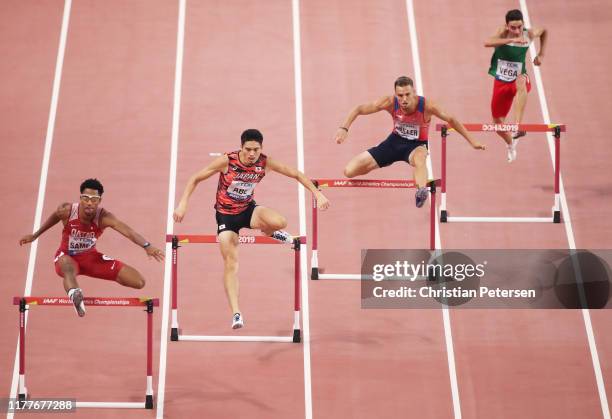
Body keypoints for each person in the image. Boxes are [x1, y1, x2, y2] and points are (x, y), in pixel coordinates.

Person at [173, 129, 330, 329]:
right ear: (241, 147)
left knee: (281, 221)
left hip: (248, 210)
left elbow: (296, 174)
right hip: (226, 217)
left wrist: (317, 194)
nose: (252, 154)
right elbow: (195, 178)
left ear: (261, 148)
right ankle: (237, 313)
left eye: (256, 149)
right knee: (231, 263)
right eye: (248, 149)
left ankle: (271, 232)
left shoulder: (265, 163)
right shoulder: (227, 161)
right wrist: (183, 204)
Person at [19, 178, 164, 317]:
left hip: (90, 258)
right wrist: (35, 235)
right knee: (68, 267)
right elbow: (55, 217)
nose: (89, 202)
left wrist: (147, 246)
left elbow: (129, 232)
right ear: (80, 198)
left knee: (139, 282)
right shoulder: (67, 210)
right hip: (67, 256)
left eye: (94, 199)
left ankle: (113, 276)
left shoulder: (104, 217)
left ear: (99, 200)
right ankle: (76, 295)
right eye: (85, 198)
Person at [335, 76, 485, 207]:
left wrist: (472, 141)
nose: (404, 99)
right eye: (400, 95)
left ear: (414, 92)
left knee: (420, 159)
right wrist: (344, 128)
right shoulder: (389, 102)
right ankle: (380, 162)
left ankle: (421, 191)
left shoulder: (427, 106)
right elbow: (359, 109)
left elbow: (451, 119)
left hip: (416, 145)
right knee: (349, 171)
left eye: (407, 94)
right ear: (396, 94)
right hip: (393, 143)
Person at [485, 9, 547, 162]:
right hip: (501, 81)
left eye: (519, 27)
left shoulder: (529, 34)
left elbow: (544, 32)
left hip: (518, 79)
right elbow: (487, 42)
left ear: (523, 25)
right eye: (513, 27)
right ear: (507, 26)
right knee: (497, 124)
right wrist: (509, 40)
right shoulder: (502, 33)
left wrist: (541, 54)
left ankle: (517, 126)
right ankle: (511, 143)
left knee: (521, 82)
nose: (517, 30)